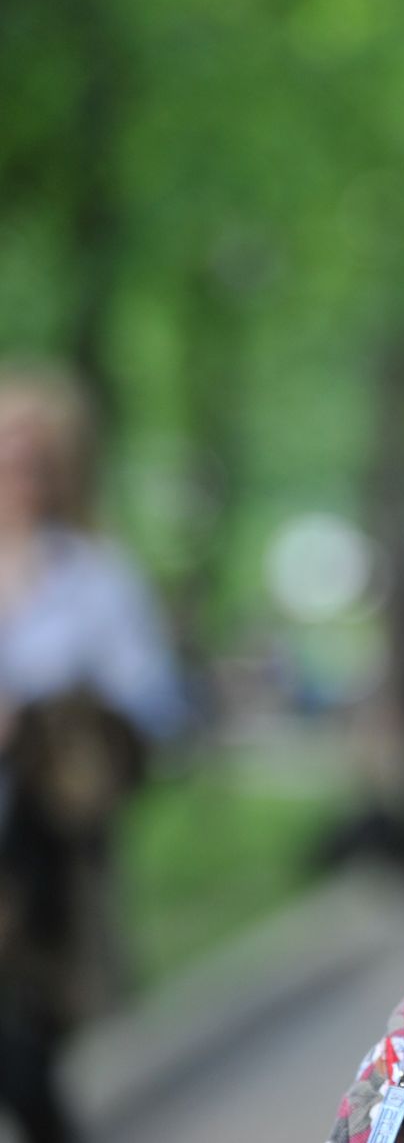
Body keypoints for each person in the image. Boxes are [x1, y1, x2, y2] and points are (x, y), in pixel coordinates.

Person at [0, 361, 190, 1143]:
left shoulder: (97, 578)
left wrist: (51, 713)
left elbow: (161, 707)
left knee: (25, 1047)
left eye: (30, 454)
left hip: (49, 860)